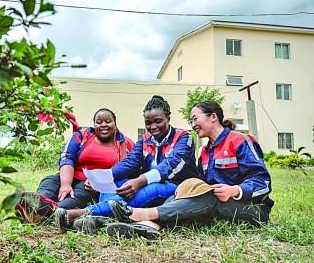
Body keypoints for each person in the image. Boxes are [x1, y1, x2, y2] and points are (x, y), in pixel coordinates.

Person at [107, 100, 274, 239]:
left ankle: (142, 215)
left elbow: (263, 182)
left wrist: (235, 190)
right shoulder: (204, 151)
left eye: (195, 119)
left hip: (252, 208)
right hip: (220, 206)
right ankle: (151, 226)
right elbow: (203, 184)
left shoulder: (240, 140)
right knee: (181, 194)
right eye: (191, 121)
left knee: (209, 198)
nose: (193, 125)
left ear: (213, 117)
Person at [55, 95, 198, 233]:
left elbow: (170, 165)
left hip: (176, 185)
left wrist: (139, 181)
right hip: (146, 182)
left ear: (168, 118)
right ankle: (101, 219)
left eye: (158, 121)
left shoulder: (184, 137)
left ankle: (82, 213)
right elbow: (130, 162)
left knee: (148, 189)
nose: (153, 127)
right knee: (114, 182)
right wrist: (102, 177)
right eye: (148, 123)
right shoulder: (145, 139)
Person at [15, 108, 134, 224]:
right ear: (94, 125)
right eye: (99, 122)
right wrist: (66, 184)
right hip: (70, 175)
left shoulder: (126, 144)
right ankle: (35, 204)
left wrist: (99, 181)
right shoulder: (83, 135)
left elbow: (131, 168)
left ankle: (44, 213)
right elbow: (67, 157)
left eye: (108, 121)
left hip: (91, 185)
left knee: (77, 197)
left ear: (115, 124)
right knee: (49, 181)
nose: (103, 125)